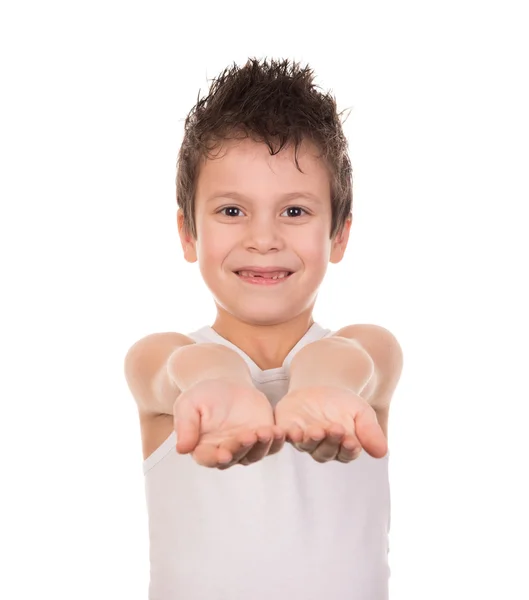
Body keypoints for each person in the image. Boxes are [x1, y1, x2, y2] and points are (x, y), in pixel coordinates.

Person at [124, 57, 403, 600]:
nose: (263, 238)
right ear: (188, 234)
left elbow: (355, 362)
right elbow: (180, 369)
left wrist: (321, 387)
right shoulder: (161, 357)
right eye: (232, 211)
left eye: (294, 212)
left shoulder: (365, 351)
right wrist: (221, 381)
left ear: (339, 235)